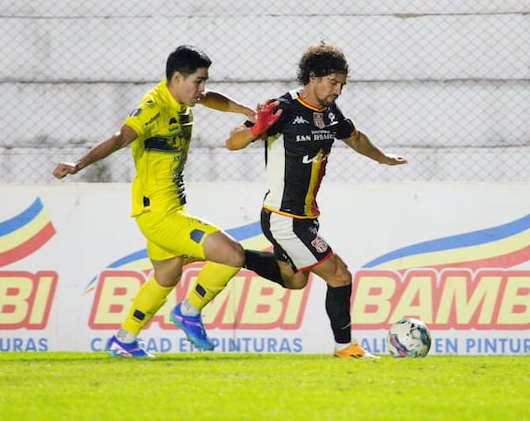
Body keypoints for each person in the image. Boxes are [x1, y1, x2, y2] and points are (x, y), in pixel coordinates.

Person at [53, 45, 256, 358]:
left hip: (166, 210)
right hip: (160, 215)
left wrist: (242, 110)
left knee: (166, 277)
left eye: (204, 82)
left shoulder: (184, 98)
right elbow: (120, 137)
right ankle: (189, 310)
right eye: (197, 82)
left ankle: (125, 339)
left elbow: (211, 97)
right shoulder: (153, 106)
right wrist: (79, 165)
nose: (201, 90)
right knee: (232, 255)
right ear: (177, 77)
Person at [226, 42, 407, 359]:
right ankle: (346, 348)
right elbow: (232, 142)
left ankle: (231, 255)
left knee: (294, 281)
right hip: (284, 218)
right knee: (340, 275)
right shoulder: (282, 107)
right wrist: (257, 127)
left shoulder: (330, 113)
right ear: (313, 77)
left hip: (304, 217)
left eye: (342, 85)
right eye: (333, 82)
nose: (338, 90)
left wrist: (383, 159)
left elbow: (356, 138)